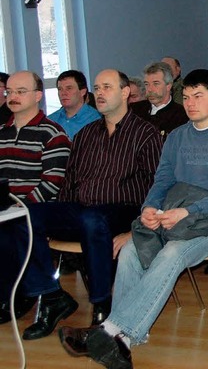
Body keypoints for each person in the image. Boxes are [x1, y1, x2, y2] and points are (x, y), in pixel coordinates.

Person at [58, 69, 208, 369]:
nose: (190, 103)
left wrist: (188, 211)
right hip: (177, 214)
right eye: (186, 97)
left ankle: (111, 331)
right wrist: (150, 208)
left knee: (172, 253)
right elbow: (161, 181)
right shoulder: (177, 136)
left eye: (199, 96)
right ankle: (121, 342)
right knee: (130, 251)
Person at [15, 69, 162, 340]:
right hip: (83, 210)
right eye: (97, 87)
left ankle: (102, 305)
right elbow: (69, 182)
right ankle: (51, 295)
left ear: (126, 92)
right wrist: (58, 216)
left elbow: (158, 186)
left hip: (124, 209)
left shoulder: (145, 133)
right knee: (27, 214)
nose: (101, 93)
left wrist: (137, 228)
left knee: (92, 219)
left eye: (107, 87)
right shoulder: (85, 135)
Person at [0, 71, 71, 325]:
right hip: (8, 208)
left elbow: (52, 183)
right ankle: (11, 294)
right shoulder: (1, 132)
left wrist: (19, 207)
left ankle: (50, 296)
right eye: (9, 91)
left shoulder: (52, 133)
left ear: (38, 96)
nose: (13, 97)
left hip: (42, 208)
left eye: (21, 91)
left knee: (19, 223)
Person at [130, 62, 188, 138]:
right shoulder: (133, 110)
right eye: (147, 84)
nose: (150, 89)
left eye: (156, 83)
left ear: (168, 86)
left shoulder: (181, 115)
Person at [48, 70, 102, 139]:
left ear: (83, 92)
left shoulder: (97, 120)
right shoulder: (50, 120)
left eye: (69, 88)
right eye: (60, 89)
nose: (63, 93)